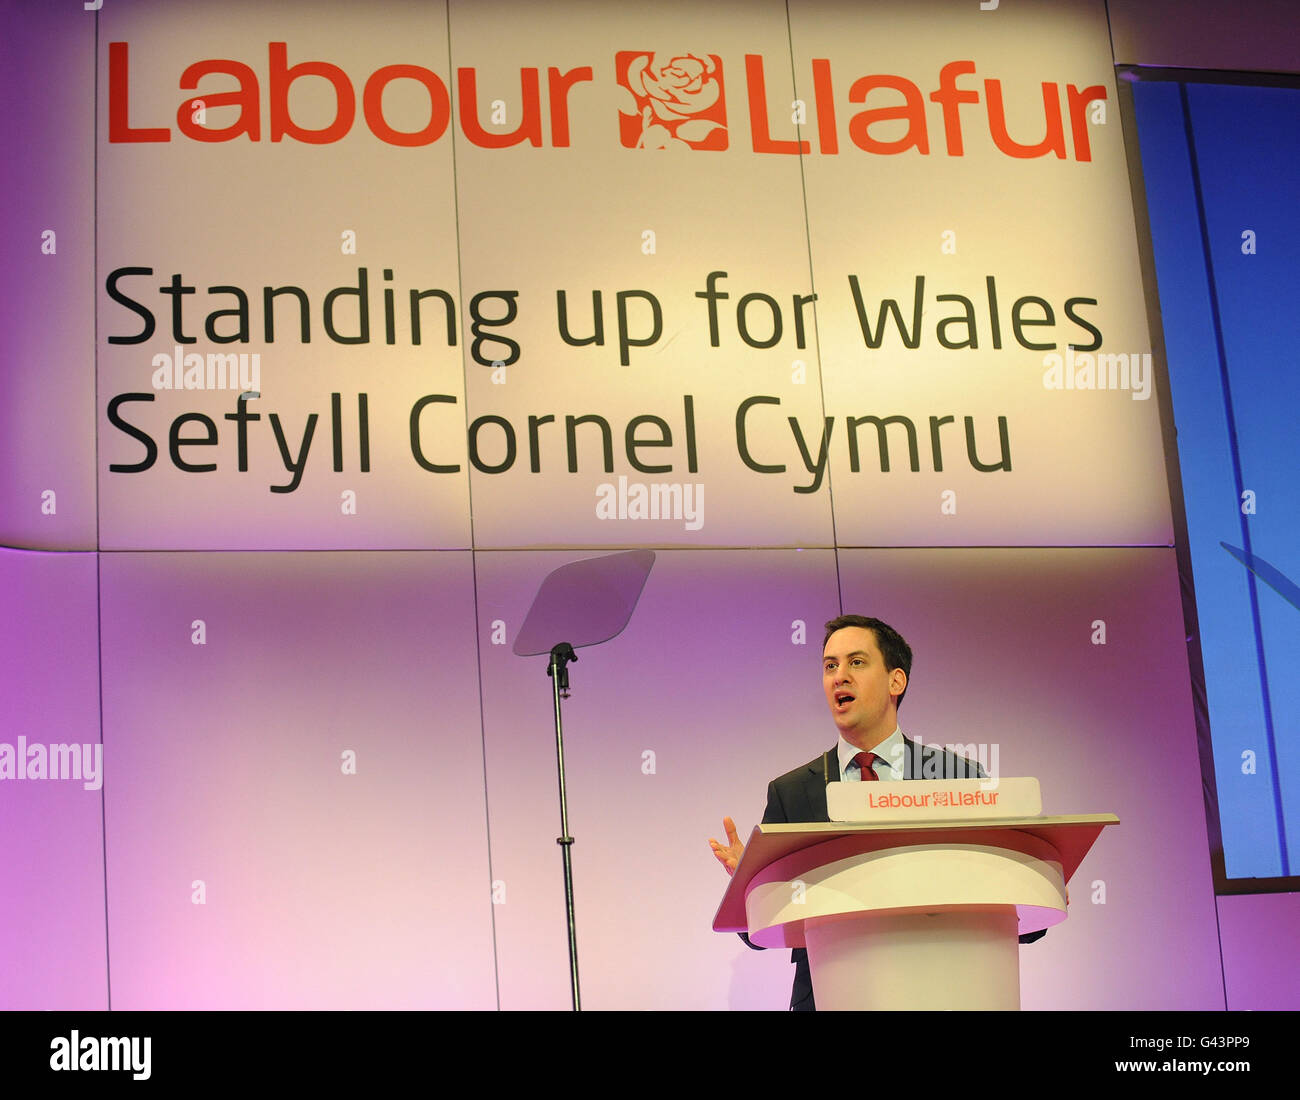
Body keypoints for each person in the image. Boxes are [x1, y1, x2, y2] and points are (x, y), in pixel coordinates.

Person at [709, 613, 1045, 1011]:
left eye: (856, 662)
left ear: (895, 681)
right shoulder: (792, 792)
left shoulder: (957, 776)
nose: (839, 676)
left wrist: (1030, 881)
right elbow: (763, 932)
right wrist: (749, 887)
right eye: (830, 666)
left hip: (944, 989)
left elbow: (1011, 916)